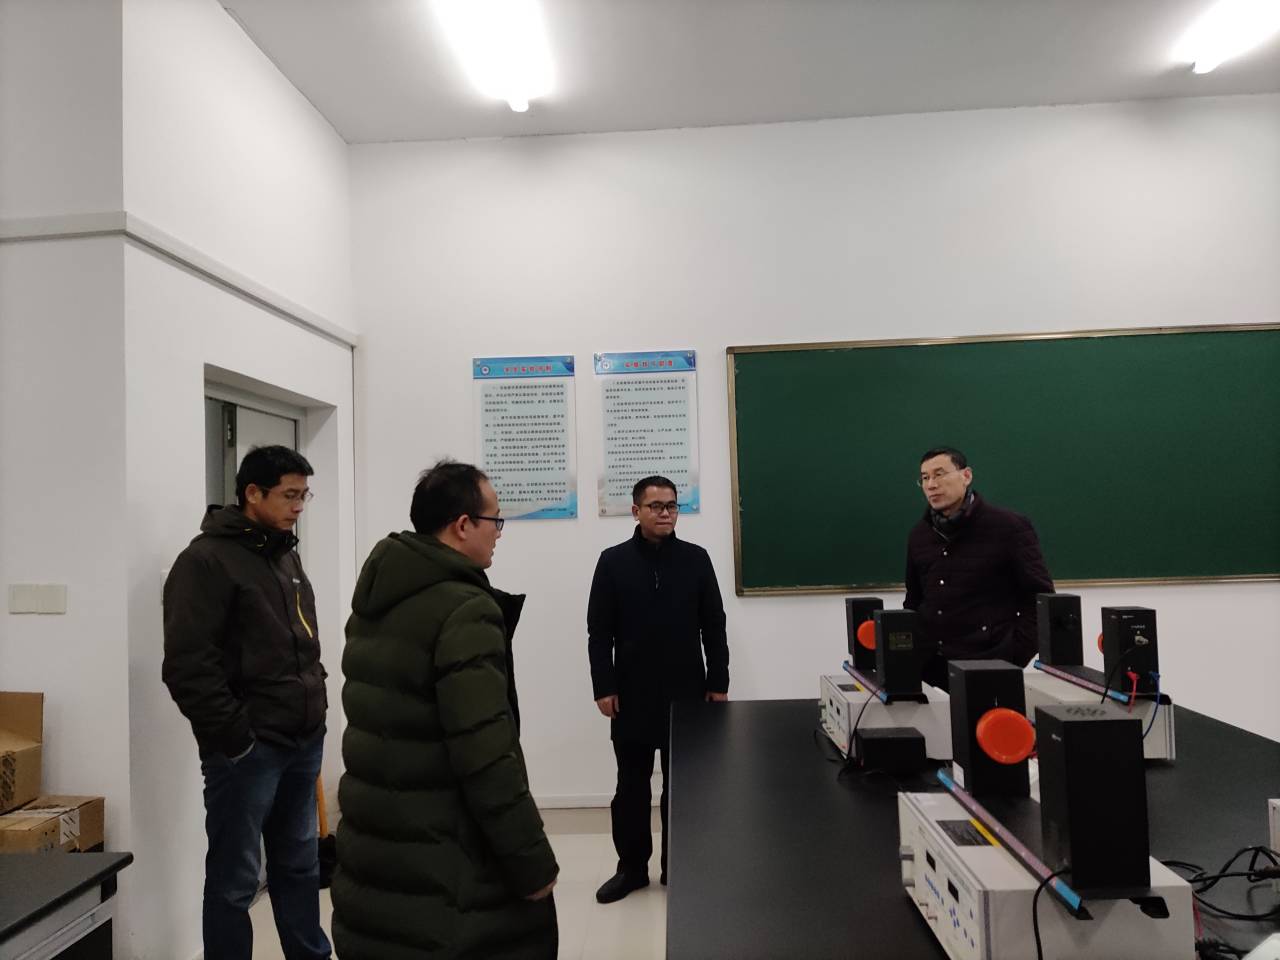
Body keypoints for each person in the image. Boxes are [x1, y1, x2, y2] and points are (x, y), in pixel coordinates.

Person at [332, 460, 558, 959]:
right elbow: (486, 756)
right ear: (462, 525)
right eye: (495, 520)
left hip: (381, 853)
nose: (499, 533)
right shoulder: (465, 610)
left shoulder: (379, 599)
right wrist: (532, 865)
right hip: (446, 864)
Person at [162, 445, 330, 960]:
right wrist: (236, 740)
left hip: (302, 740)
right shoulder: (205, 561)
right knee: (235, 880)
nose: (298, 506)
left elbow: (299, 641)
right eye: (289, 494)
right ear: (252, 493)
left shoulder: (285, 553)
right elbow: (188, 666)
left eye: (304, 495)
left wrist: (315, 701)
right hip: (248, 751)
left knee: (300, 866)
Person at [587, 475, 729, 904]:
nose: (665, 513)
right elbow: (599, 633)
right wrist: (603, 686)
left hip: (687, 693)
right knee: (630, 787)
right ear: (636, 511)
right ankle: (631, 869)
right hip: (630, 694)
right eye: (656, 506)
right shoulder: (612, 562)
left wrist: (718, 682)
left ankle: (677, 868)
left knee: (682, 788)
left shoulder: (696, 559)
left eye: (672, 506)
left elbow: (714, 626)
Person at [904, 446, 1054, 690]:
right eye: (925, 478)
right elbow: (914, 601)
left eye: (939, 474)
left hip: (991, 666)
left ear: (966, 476)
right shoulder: (919, 535)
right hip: (932, 670)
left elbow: (1040, 599)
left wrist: (1012, 657)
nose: (931, 485)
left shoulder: (1009, 527)